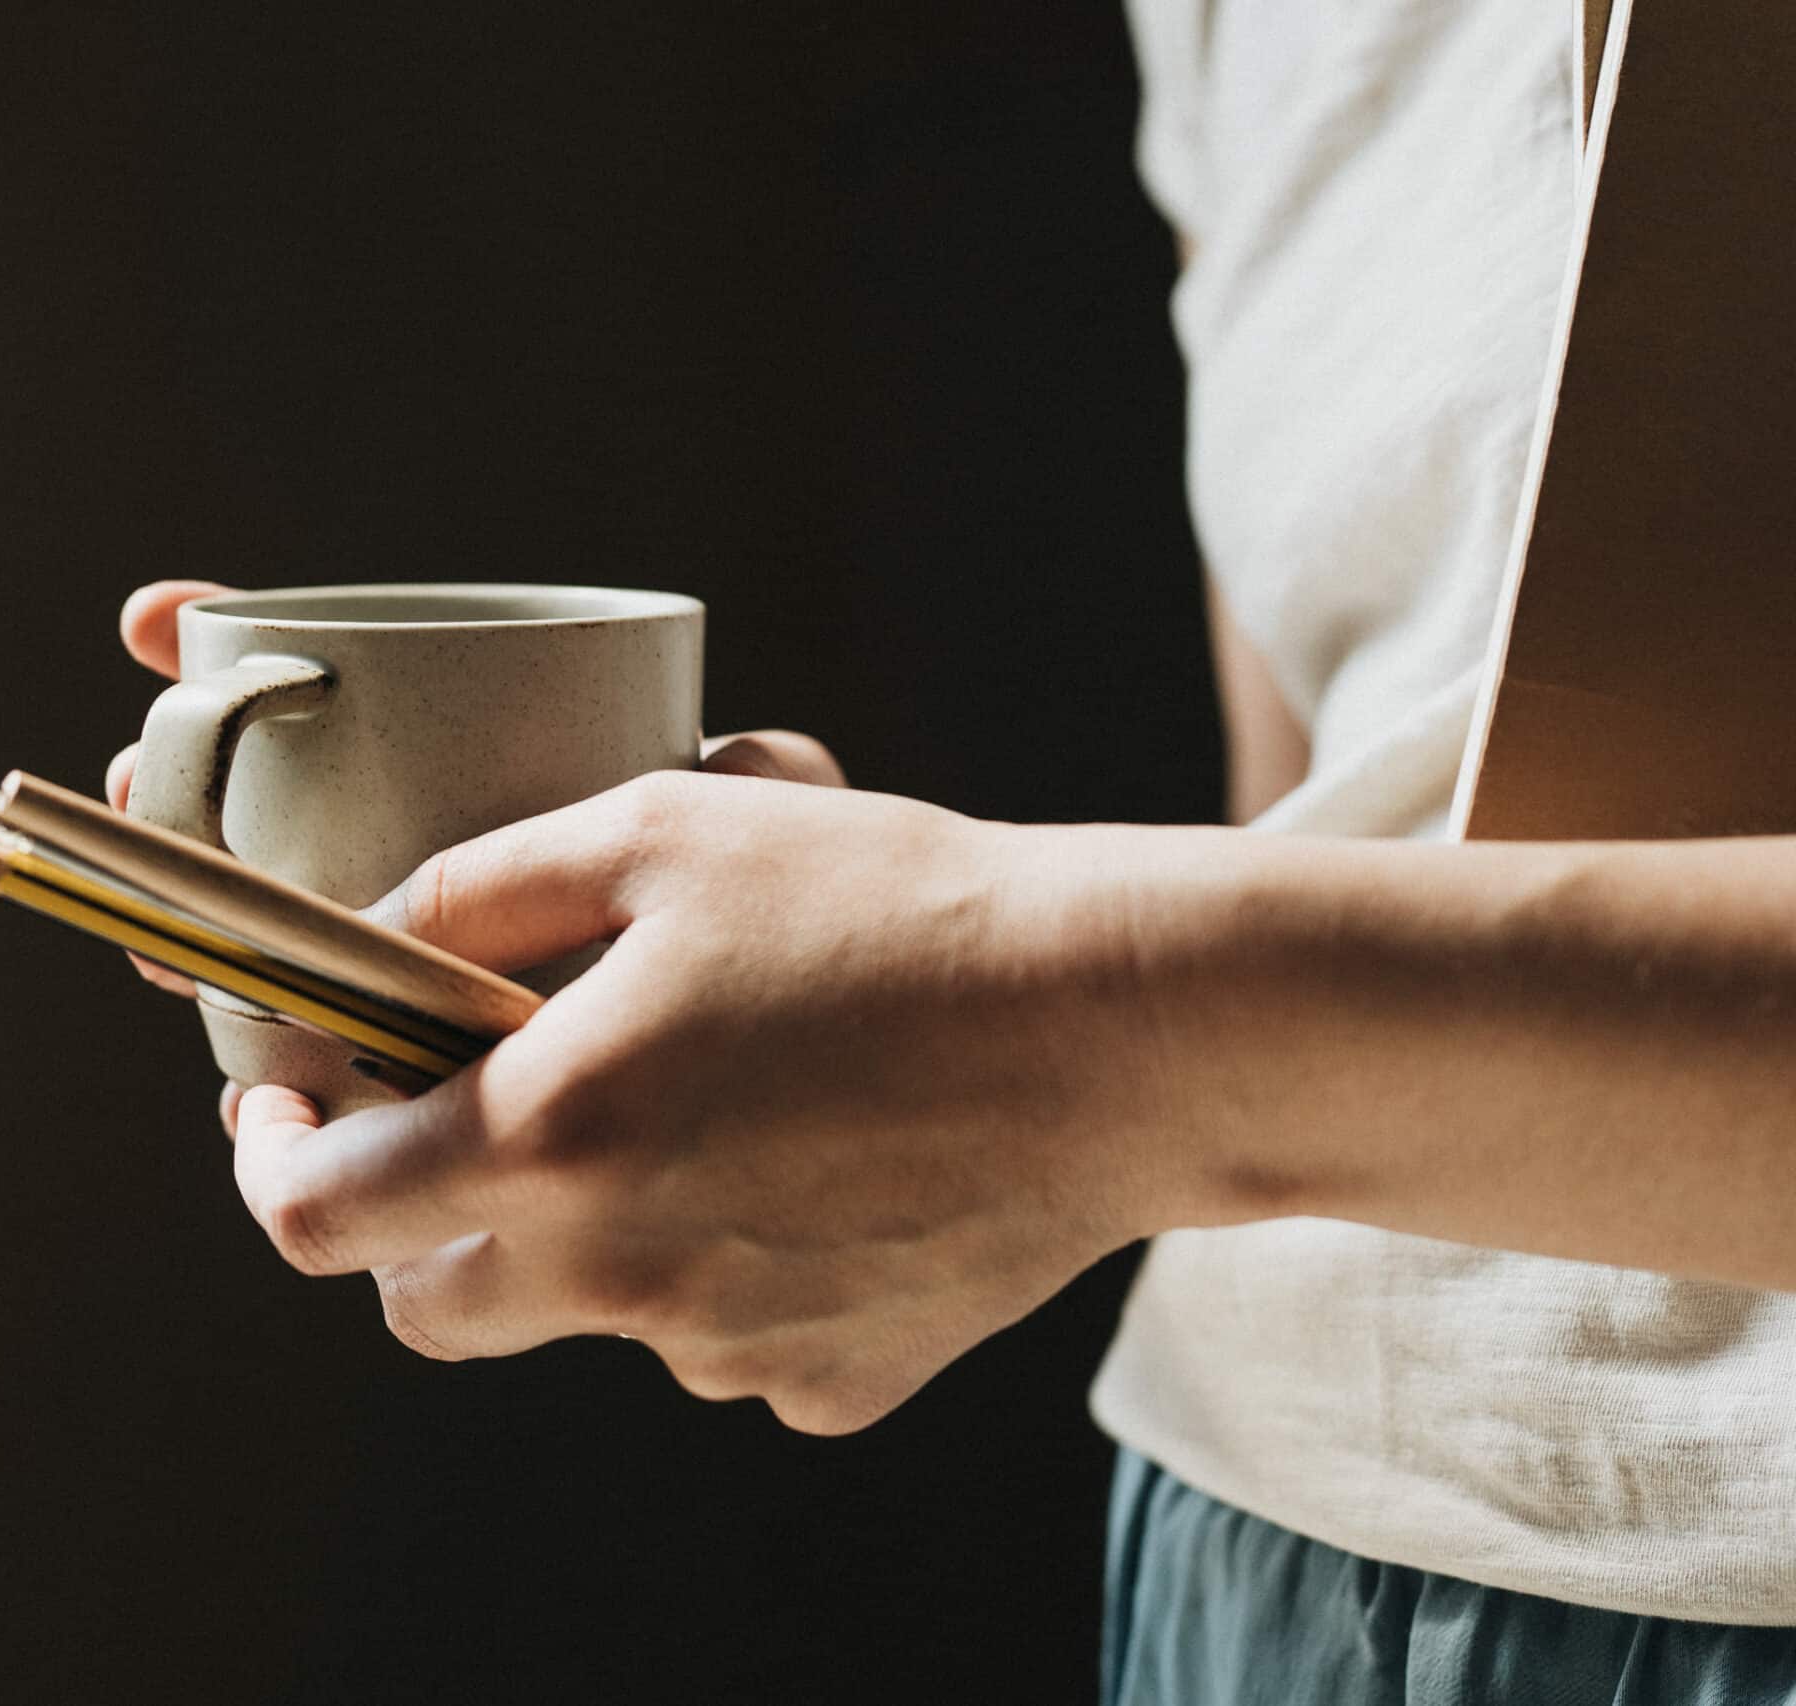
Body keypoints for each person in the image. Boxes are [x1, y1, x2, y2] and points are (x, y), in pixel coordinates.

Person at [103, 2, 1796, 1698]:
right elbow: (1333, 838)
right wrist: (865, 1008)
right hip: (1255, 1552)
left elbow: (1234, 984)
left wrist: (1084, 1015)